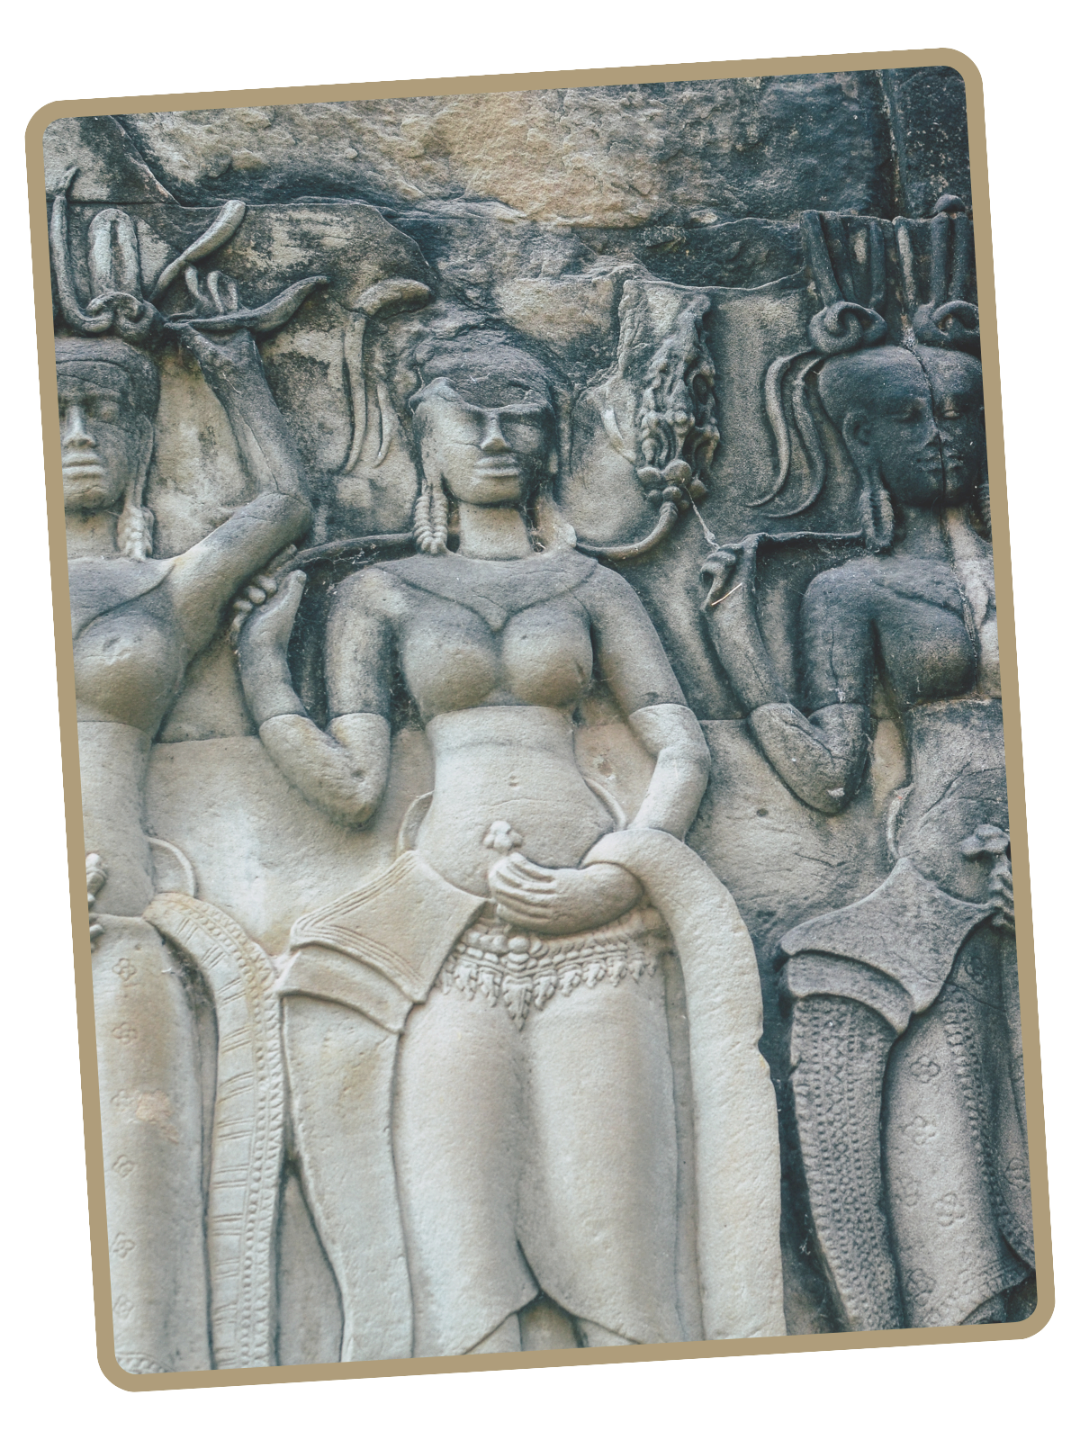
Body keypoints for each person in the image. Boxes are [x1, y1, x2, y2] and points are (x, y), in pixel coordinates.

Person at [236, 330, 786, 1359]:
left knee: (622, 1261)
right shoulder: (381, 593)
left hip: (599, 942)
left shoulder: (592, 587)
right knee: (460, 1264)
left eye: (520, 418)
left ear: (551, 439)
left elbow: (681, 749)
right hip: (449, 947)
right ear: (424, 438)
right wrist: (264, 668)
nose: (495, 439)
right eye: (468, 418)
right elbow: (353, 786)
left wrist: (618, 874)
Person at [701, 334, 1034, 1331]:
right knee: (957, 1166)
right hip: (935, 899)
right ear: (858, 438)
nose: (942, 435)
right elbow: (830, 773)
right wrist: (734, 645)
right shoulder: (850, 592)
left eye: (961, 413)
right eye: (910, 417)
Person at [61, 325, 311, 1372]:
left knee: (142, 1216)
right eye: (55, 412)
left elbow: (284, 504)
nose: (79, 434)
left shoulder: (166, 589)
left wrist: (235, 365)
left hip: (128, 927)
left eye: (105, 413)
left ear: (142, 440)